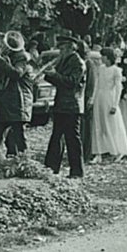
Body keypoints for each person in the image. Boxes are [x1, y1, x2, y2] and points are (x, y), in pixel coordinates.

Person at [43, 35, 86, 178]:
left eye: (61, 49)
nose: (59, 52)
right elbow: (59, 81)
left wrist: (54, 74)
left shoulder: (77, 62)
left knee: (72, 139)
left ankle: (77, 171)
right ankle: (50, 168)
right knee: (56, 137)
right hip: (62, 104)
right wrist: (47, 75)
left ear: (69, 48)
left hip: (71, 105)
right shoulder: (65, 60)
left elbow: (71, 82)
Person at [0, 40, 34, 158]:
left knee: (18, 134)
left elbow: (16, 74)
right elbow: (1, 75)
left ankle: (23, 160)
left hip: (17, 102)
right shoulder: (8, 58)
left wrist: (1, 62)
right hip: (5, 100)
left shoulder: (22, 59)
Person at [91, 47, 127, 163]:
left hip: (109, 98)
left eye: (103, 56)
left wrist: (114, 104)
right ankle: (98, 153)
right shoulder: (101, 69)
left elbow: (118, 88)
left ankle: (118, 150)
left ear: (108, 57)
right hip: (99, 97)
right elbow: (97, 84)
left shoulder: (116, 70)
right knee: (98, 124)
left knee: (112, 125)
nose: (101, 58)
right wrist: (92, 99)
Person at [80, 44, 98, 162]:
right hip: (82, 98)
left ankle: (87, 153)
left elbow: (91, 83)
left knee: (87, 127)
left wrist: (90, 98)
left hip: (86, 97)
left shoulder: (89, 64)